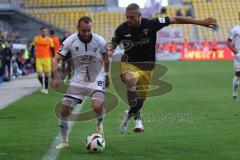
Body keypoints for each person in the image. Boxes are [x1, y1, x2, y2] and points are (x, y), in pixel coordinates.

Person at [109, 3, 217, 134]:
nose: (129, 20)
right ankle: (138, 119)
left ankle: (130, 114)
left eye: (132, 17)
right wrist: (109, 51)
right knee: (130, 81)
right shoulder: (122, 29)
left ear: (139, 16)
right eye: (127, 17)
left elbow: (176, 19)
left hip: (147, 67)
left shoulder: (151, 24)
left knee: (141, 100)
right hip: (129, 64)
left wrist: (201, 22)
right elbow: (113, 44)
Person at [51, 16, 109, 149]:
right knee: (64, 109)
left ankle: (99, 126)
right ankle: (64, 141)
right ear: (78, 28)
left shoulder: (99, 40)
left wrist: (106, 76)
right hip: (78, 79)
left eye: (89, 30)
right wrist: (55, 77)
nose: (87, 33)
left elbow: (106, 58)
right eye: (84, 31)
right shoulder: (70, 41)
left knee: (97, 106)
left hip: (97, 77)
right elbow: (56, 59)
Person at [31, 27, 54, 94]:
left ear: (47, 32)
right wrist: (32, 57)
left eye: (45, 31)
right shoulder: (36, 38)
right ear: (40, 32)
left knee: (47, 75)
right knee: (39, 74)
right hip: (39, 59)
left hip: (47, 59)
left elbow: (52, 50)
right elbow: (32, 48)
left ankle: (46, 88)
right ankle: (42, 85)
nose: (44, 32)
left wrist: (53, 58)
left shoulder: (49, 40)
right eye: (43, 31)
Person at [227, 13, 240, 101]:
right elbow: (228, 42)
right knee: (238, 75)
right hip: (239, 55)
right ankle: (234, 92)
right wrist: (234, 51)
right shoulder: (235, 29)